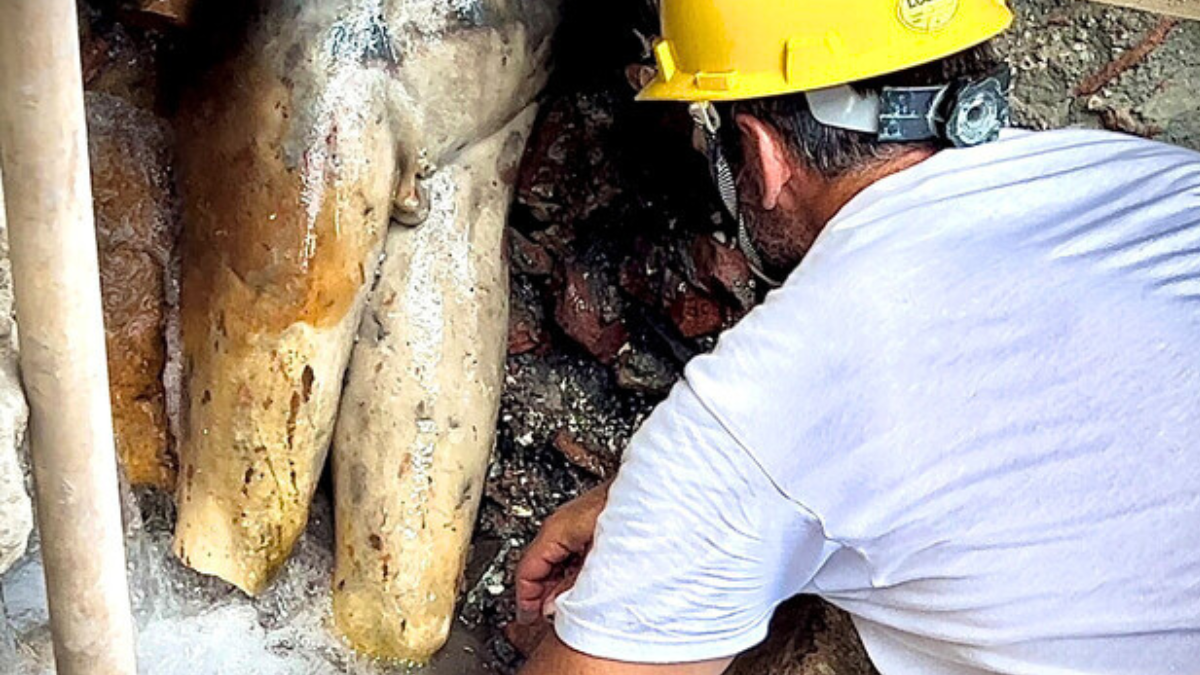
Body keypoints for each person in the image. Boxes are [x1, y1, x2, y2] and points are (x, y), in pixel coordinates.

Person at [514, 1, 1200, 673]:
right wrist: (658, 507)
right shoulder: (1164, 182)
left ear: (758, 150)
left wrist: (694, 491)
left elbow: (788, 427)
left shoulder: (770, 395)